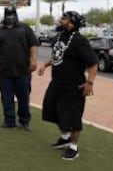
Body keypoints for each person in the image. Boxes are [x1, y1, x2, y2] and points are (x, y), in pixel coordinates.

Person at [37, 11, 98, 160]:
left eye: (63, 19)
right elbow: (58, 54)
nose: (60, 20)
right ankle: (65, 137)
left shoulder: (79, 41)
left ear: (71, 23)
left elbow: (93, 62)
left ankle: (73, 147)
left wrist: (89, 83)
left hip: (73, 86)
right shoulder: (60, 36)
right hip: (57, 83)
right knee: (51, 110)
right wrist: (45, 65)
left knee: (72, 117)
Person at [0, 6, 38, 131]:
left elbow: (33, 45)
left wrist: (34, 60)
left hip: (23, 70)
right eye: (8, 15)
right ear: (5, 16)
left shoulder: (25, 29)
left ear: (16, 15)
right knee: (6, 98)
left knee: (23, 97)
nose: (10, 17)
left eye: (12, 14)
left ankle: (25, 121)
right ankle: (9, 121)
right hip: (4, 71)